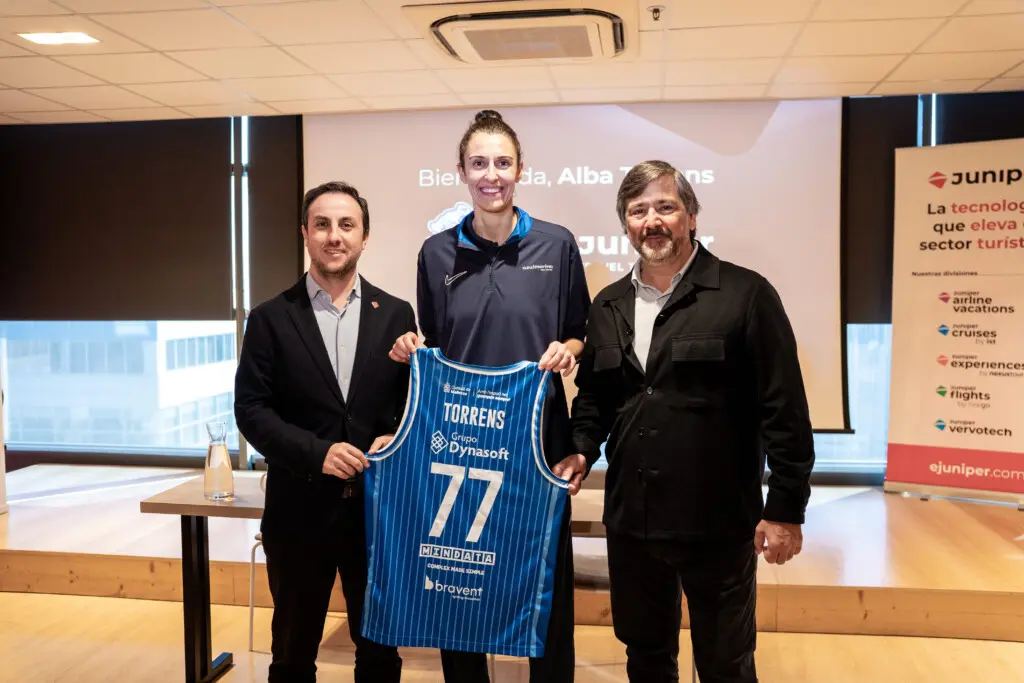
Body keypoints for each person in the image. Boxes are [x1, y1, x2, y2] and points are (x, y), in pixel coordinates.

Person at [569, 160, 815, 683]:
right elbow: (594, 398)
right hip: (633, 522)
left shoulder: (746, 295)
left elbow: (784, 407)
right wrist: (580, 448)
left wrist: (786, 508)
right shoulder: (607, 305)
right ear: (626, 223)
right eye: (638, 211)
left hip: (719, 523)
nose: (652, 220)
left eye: (665, 206)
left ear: (692, 215)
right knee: (646, 656)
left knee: (725, 663)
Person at [389, 109, 592, 682]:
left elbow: (580, 329)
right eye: (479, 163)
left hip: (535, 436)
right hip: (461, 440)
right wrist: (413, 346)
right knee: (462, 581)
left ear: (520, 169)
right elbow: (437, 343)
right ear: (461, 171)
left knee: (542, 580)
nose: (491, 174)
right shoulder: (435, 254)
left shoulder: (558, 243)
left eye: (502, 162)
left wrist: (566, 349)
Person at [234, 181, 415, 683]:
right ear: (305, 233)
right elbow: (251, 410)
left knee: (380, 654)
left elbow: (408, 406)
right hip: (298, 514)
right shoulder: (270, 318)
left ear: (364, 236)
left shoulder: (396, 314)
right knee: (292, 654)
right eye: (322, 224)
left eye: (346, 225)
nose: (334, 236)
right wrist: (317, 453)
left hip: (377, 517)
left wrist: (394, 436)